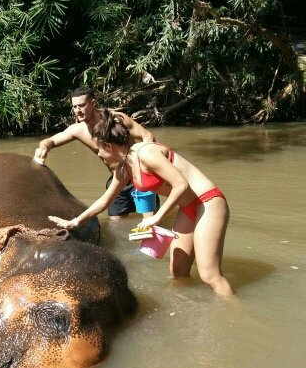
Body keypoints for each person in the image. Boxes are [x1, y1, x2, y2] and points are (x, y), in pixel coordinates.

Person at [48, 109, 234, 296]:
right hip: (188, 208)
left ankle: (233, 312)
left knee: (210, 275)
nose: (100, 155)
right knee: (178, 272)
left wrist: (156, 218)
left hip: (208, 202)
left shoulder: (146, 153)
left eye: (99, 150)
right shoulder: (123, 169)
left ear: (108, 146)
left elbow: (181, 185)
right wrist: (75, 221)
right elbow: (106, 200)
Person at [34, 87, 159, 218]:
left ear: (93, 103)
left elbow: (148, 136)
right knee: (116, 226)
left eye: (81, 105)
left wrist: (144, 168)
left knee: (151, 226)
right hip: (117, 181)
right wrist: (43, 147)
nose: (78, 110)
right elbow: (51, 141)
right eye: (75, 107)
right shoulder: (78, 130)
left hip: (138, 177)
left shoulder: (116, 119)